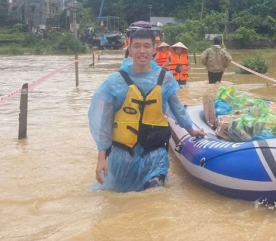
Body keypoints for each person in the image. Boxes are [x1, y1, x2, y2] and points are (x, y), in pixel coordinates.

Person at [88, 29, 205, 192]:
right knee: (121, 204)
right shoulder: (115, 82)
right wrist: (101, 158)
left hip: (154, 155)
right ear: (130, 49)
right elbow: (105, 121)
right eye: (137, 46)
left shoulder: (165, 78)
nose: (142, 51)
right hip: (122, 157)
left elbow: (177, 108)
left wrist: (191, 130)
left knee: (154, 196)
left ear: (154, 50)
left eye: (146, 46)